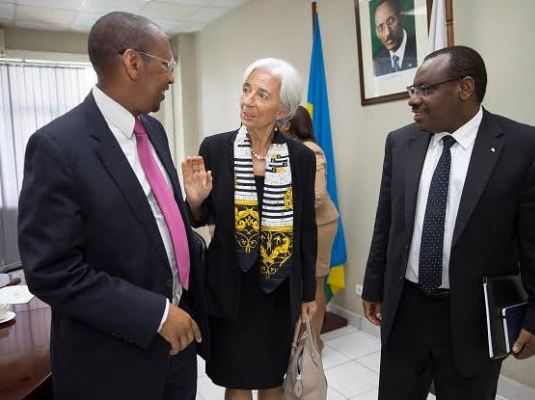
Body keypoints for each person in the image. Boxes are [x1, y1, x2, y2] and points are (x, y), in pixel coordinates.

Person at [17, 12, 208, 400]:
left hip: (178, 352)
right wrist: (154, 315)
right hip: (112, 364)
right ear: (133, 63)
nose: (172, 77)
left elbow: (155, 225)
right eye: (166, 65)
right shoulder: (56, 147)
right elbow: (51, 270)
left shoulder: (153, 130)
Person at [362, 45, 535, 399]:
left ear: (465, 87)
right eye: (413, 90)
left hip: (473, 318)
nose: (413, 100)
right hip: (406, 309)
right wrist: (374, 284)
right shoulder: (401, 142)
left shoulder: (525, 147)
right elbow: (387, 223)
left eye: (425, 89)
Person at [182, 58, 318, 400]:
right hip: (230, 288)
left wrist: (308, 294)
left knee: (272, 377)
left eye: (261, 94)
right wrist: (195, 201)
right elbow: (199, 218)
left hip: (277, 287)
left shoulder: (300, 158)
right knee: (237, 378)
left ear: (282, 109)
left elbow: (305, 228)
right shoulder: (214, 148)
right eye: (246, 90)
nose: (248, 101)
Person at [280, 105, 339, 351]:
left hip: (319, 226)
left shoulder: (311, 151)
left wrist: (280, 208)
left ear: (289, 125)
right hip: (301, 228)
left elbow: (316, 196)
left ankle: (313, 343)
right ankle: (300, 340)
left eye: (281, 121)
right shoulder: (285, 150)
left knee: (314, 283)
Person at [373, 0, 418, 76]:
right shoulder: (377, 60)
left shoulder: (418, 46)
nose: (387, 33)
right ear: (377, 33)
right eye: (381, 27)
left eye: (391, 21)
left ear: (402, 18)